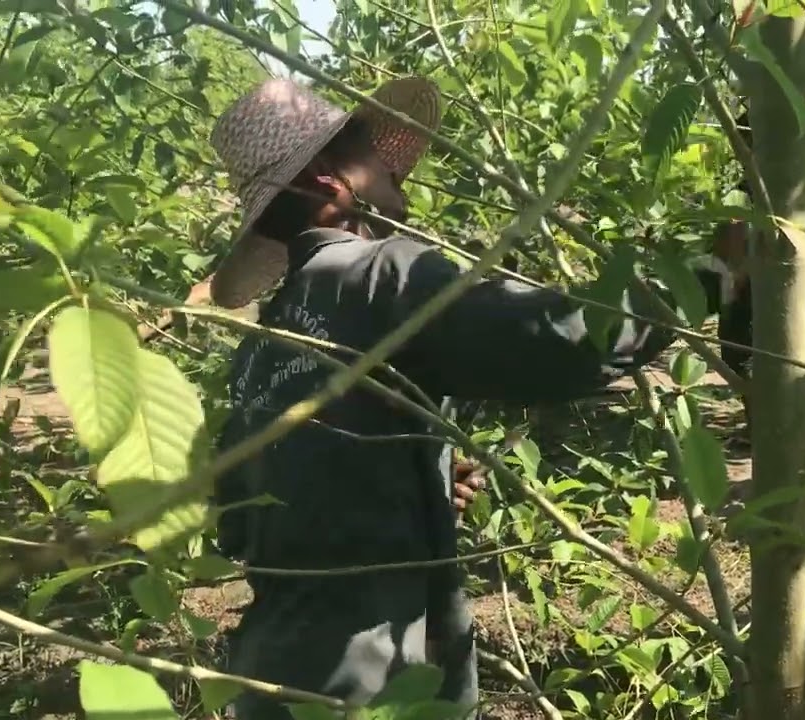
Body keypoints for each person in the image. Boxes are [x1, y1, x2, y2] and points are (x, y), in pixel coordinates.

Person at [205, 76, 743, 719]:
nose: (393, 169)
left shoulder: (259, 346)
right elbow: (562, 341)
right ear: (328, 179)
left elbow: (241, 519)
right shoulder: (384, 274)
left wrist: (410, 480)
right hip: (373, 683)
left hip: (268, 679)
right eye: (371, 154)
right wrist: (710, 278)